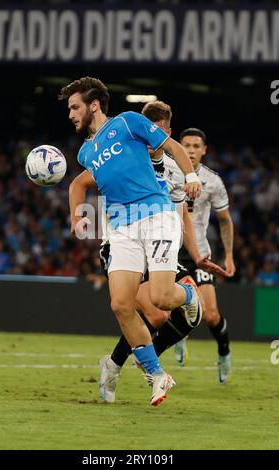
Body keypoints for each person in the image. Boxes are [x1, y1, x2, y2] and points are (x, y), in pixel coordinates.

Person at [59, 77, 202, 406]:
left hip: (157, 216)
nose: (71, 114)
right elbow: (79, 185)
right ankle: (157, 375)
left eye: (75, 107)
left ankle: (188, 293)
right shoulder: (85, 152)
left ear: (94, 105)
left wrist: (191, 176)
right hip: (122, 229)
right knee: (121, 305)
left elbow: (173, 147)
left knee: (162, 299)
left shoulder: (128, 121)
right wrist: (76, 215)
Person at [98, 101, 230, 403]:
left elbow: (182, 214)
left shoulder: (174, 170)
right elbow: (89, 181)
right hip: (123, 241)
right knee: (156, 315)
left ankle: (119, 362)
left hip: (157, 241)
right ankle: (146, 368)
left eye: (157, 132)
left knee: (189, 318)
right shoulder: (124, 154)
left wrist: (197, 255)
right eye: (146, 131)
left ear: (166, 133)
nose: (150, 137)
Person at [174, 128, 235, 384]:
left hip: (199, 253)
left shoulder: (213, 181)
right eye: (185, 145)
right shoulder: (168, 172)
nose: (190, 150)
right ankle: (177, 336)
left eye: (196, 146)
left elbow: (224, 220)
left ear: (204, 150)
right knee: (165, 303)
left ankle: (224, 352)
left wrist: (229, 255)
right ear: (178, 146)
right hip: (171, 250)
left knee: (210, 314)